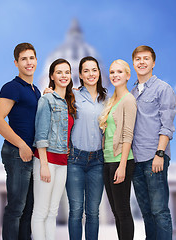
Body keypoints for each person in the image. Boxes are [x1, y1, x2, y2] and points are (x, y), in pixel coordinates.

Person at [0, 43, 40, 240]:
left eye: (32, 58)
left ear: (36, 60)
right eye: (24, 59)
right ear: (16, 63)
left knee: (28, 209)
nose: (29, 62)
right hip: (17, 153)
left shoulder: (35, 91)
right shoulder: (12, 87)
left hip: (30, 154)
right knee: (16, 209)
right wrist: (21, 145)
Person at [130, 45, 176, 240]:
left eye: (146, 58)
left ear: (153, 63)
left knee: (160, 212)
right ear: (133, 63)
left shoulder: (163, 89)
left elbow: (167, 125)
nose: (142, 62)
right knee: (147, 213)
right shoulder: (131, 93)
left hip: (154, 157)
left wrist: (160, 154)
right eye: (138, 59)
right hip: (136, 159)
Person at [31, 58, 76, 240]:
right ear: (51, 76)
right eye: (59, 72)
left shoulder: (70, 102)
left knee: (52, 212)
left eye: (67, 72)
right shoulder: (46, 99)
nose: (63, 76)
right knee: (41, 211)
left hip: (62, 162)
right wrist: (43, 164)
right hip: (46, 160)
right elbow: (41, 134)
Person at [66, 56, 107, 240]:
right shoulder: (72, 96)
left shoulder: (107, 99)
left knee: (93, 212)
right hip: (75, 159)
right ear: (80, 75)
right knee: (75, 211)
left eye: (94, 70)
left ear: (99, 73)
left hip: (98, 161)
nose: (91, 74)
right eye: (86, 71)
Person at [98, 59, 137, 240]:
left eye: (119, 72)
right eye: (112, 72)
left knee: (123, 211)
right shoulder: (112, 100)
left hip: (120, 161)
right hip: (107, 161)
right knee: (116, 212)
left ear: (128, 75)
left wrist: (122, 165)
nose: (115, 76)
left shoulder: (128, 100)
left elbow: (128, 134)